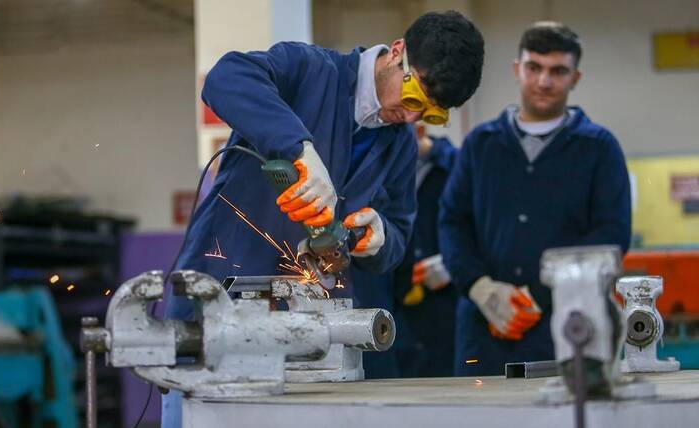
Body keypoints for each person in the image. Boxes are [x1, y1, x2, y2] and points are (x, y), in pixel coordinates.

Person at [162, 11, 484, 426]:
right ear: (397, 52)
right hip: (215, 315)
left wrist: (382, 240)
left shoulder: (400, 144)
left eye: (430, 115)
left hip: (304, 340)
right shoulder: (311, 71)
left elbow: (400, 232)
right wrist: (298, 148)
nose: (410, 118)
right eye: (412, 99)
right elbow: (226, 77)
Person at [440, 21, 631, 377]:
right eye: (534, 68)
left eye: (558, 71)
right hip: (483, 332)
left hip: (568, 328)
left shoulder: (599, 149)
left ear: (575, 78)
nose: (544, 81)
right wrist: (481, 288)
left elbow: (612, 234)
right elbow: (452, 222)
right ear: (517, 69)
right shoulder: (480, 146)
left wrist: (538, 295)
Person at [392, 129, 459, 377]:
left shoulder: (457, 166)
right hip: (399, 302)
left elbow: (482, 226)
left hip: (449, 303)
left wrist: (451, 264)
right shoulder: (387, 168)